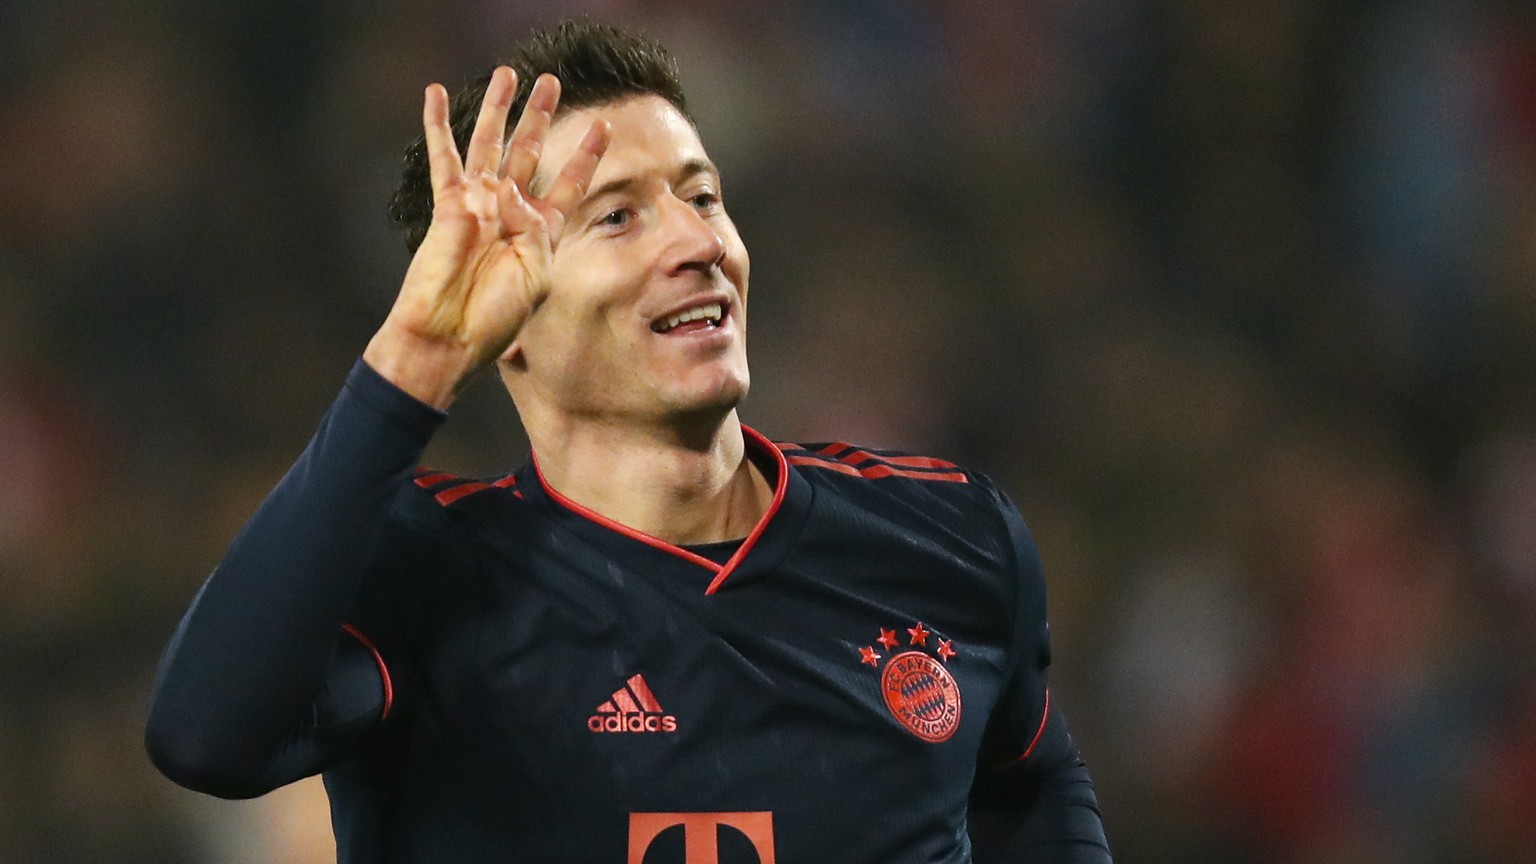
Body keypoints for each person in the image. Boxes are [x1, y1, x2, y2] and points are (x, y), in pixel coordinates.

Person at [145, 19, 1112, 863]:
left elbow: (1028, 785)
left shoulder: (946, 536)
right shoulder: (424, 576)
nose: (695, 243)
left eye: (701, 196)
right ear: (506, 311)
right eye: (617, 217)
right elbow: (203, 737)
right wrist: (417, 359)